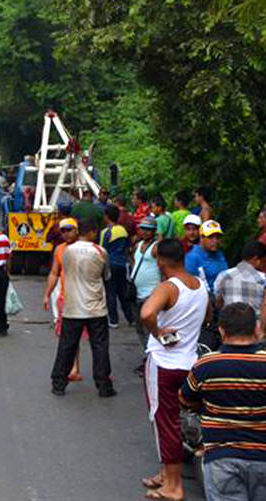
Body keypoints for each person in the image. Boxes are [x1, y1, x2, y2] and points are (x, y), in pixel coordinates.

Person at [139, 239, 209, 501]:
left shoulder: (168, 287)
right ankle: (166, 475)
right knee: (176, 419)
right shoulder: (200, 285)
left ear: (160, 261)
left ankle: (174, 486)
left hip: (164, 364)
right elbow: (209, 315)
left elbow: (146, 313)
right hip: (189, 363)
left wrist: (158, 332)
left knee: (164, 421)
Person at [179, 303, 266, 501]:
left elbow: (184, 399)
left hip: (221, 457)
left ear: (221, 330)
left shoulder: (206, 364)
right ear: (256, 328)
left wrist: (205, 407)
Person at [49, 219, 115, 398]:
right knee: (100, 347)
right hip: (95, 308)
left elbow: (61, 272)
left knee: (66, 346)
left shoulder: (67, 251)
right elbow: (106, 275)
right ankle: (103, 385)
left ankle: (58, 383)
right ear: (93, 232)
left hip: (72, 307)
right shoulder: (100, 251)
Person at [43, 218, 84, 380]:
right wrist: (47, 294)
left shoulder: (85, 249)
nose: (66, 233)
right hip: (65, 298)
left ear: (77, 230)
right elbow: (54, 273)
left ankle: (97, 373)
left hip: (84, 299)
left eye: (69, 229)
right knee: (66, 335)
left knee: (84, 337)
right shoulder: (59, 249)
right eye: (63, 231)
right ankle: (73, 368)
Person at [132, 217, 162, 376]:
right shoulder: (137, 245)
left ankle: (152, 360)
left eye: (148, 229)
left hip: (151, 294)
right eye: (142, 228)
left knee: (149, 328)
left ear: (154, 231)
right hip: (138, 293)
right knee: (140, 328)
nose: (144, 231)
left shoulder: (156, 248)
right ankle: (148, 356)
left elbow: (163, 268)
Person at [101, 205, 135, 329]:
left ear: (107, 216)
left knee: (111, 293)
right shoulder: (123, 230)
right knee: (122, 292)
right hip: (122, 264)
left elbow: (102, 250)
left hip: (110, 265)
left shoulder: (106, 232)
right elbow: (128, 246)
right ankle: (130, 318)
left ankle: (114, 320)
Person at [214, 240, 266, 318]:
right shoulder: (263, 279)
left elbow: (218, 304)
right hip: (253, 327)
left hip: (228, 325)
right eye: (264, 261)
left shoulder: (223, 276)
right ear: (256, 259)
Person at [185, 220, 229, 296]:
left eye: (218, 237)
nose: (215, 241)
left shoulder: (220, 253)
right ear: (201, 237)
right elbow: (189, 287)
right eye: (210, 237)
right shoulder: (193, 258)